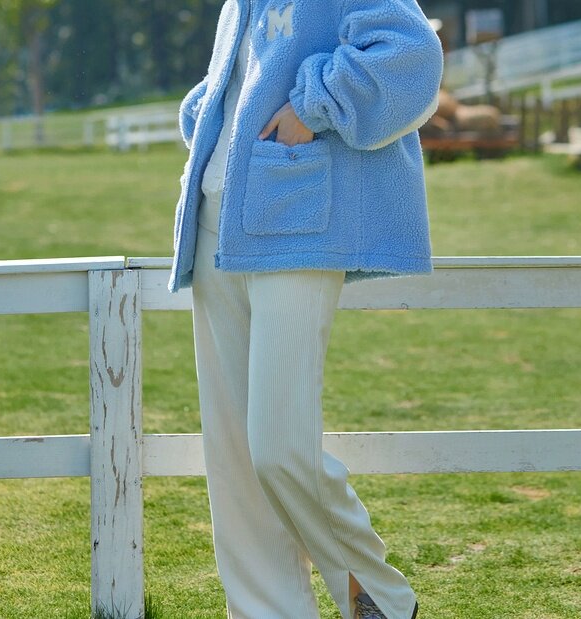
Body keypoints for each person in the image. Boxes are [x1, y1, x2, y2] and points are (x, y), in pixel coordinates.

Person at [168, 0, 443, 617]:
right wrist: (208, 114)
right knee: (235, 461)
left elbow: (412, 55)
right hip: (218, 221)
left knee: (280, 449)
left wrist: (311, 107)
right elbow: (244, 71)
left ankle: (382, 599)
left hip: (295, 217)